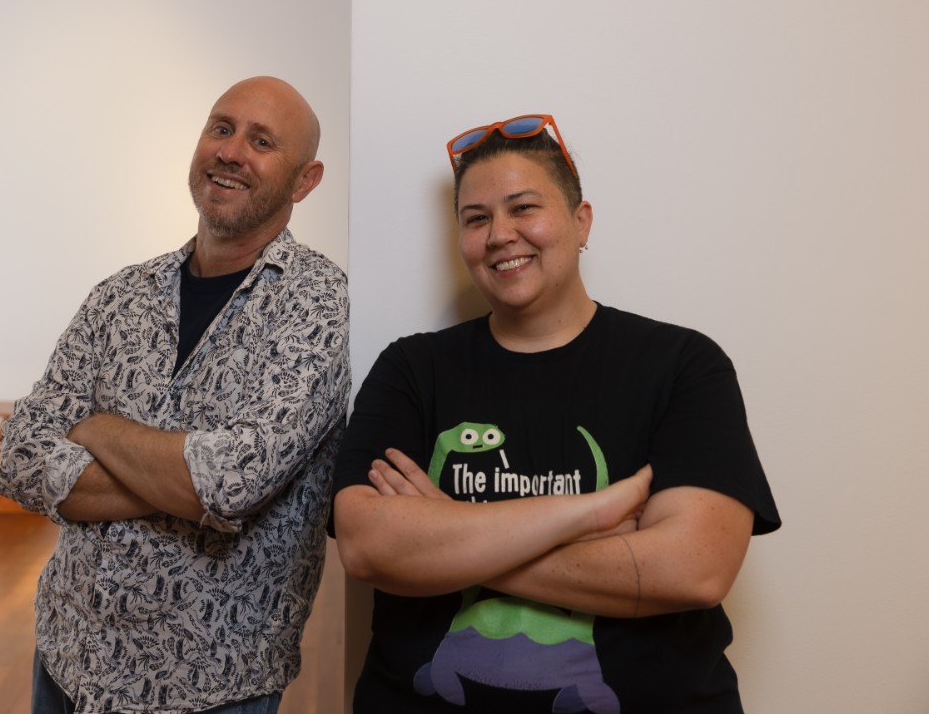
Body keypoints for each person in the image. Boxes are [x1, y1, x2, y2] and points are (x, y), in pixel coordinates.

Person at [332, 114, 780, 713]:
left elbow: (693, 570)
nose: (499, 234)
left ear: (581, 220)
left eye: (523, 208)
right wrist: (591, 516)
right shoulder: (414, 369)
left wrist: (451, 530)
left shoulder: (682, 365)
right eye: (476, 218)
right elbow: (367, 546)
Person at [0, 76, 350, 714]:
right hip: (67, 659)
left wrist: (98, 427)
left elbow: (227, 484)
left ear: (305, 180)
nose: (231, 151)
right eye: (222, 128)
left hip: (207, 684)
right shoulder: (119, 295)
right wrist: (180, 481)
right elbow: (19, 458)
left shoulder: (318, 304)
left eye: (261, 141)